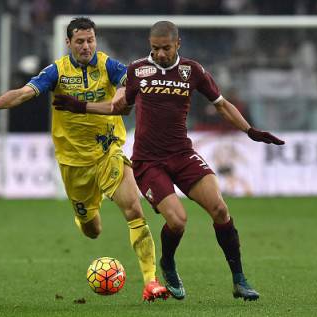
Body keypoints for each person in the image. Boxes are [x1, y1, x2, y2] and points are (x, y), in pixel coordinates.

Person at [52, 21, 285, 301]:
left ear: (178, 44)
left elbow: (222, 105)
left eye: (165, 48)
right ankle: (168, 264)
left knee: (220, 210)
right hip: (149, 162)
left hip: (182, 155)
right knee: (177, 221)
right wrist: (80, 106)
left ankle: (239, 279)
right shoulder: (137, 70)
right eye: (154, 48)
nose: (160, 54)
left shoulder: (192, 71)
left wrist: (250, 130)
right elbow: (118, 107)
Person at [0, 17, 168, 302]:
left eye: (90, 40)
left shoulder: (109, 66)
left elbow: (128, 88)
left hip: (108, 151)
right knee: (93, 230)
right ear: (68, 43)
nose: (86, 46)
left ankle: (151, 281)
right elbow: (25, 93)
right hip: (74, 163)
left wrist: (126, 93)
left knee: (134, 210)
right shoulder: (57, 72)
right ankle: (84, 215)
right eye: (80, 41)